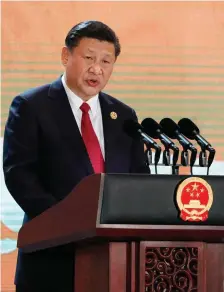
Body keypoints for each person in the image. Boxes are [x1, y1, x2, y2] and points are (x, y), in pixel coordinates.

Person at [3, 20, 149, 292]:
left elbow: (138, 178)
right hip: (50, 256)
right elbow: (19, 174)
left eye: (107, 61)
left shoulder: (124, 116)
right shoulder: (31, 106)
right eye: (89, 58)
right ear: (65, 56)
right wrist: (67, 223)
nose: (97, 69)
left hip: (113, 261)